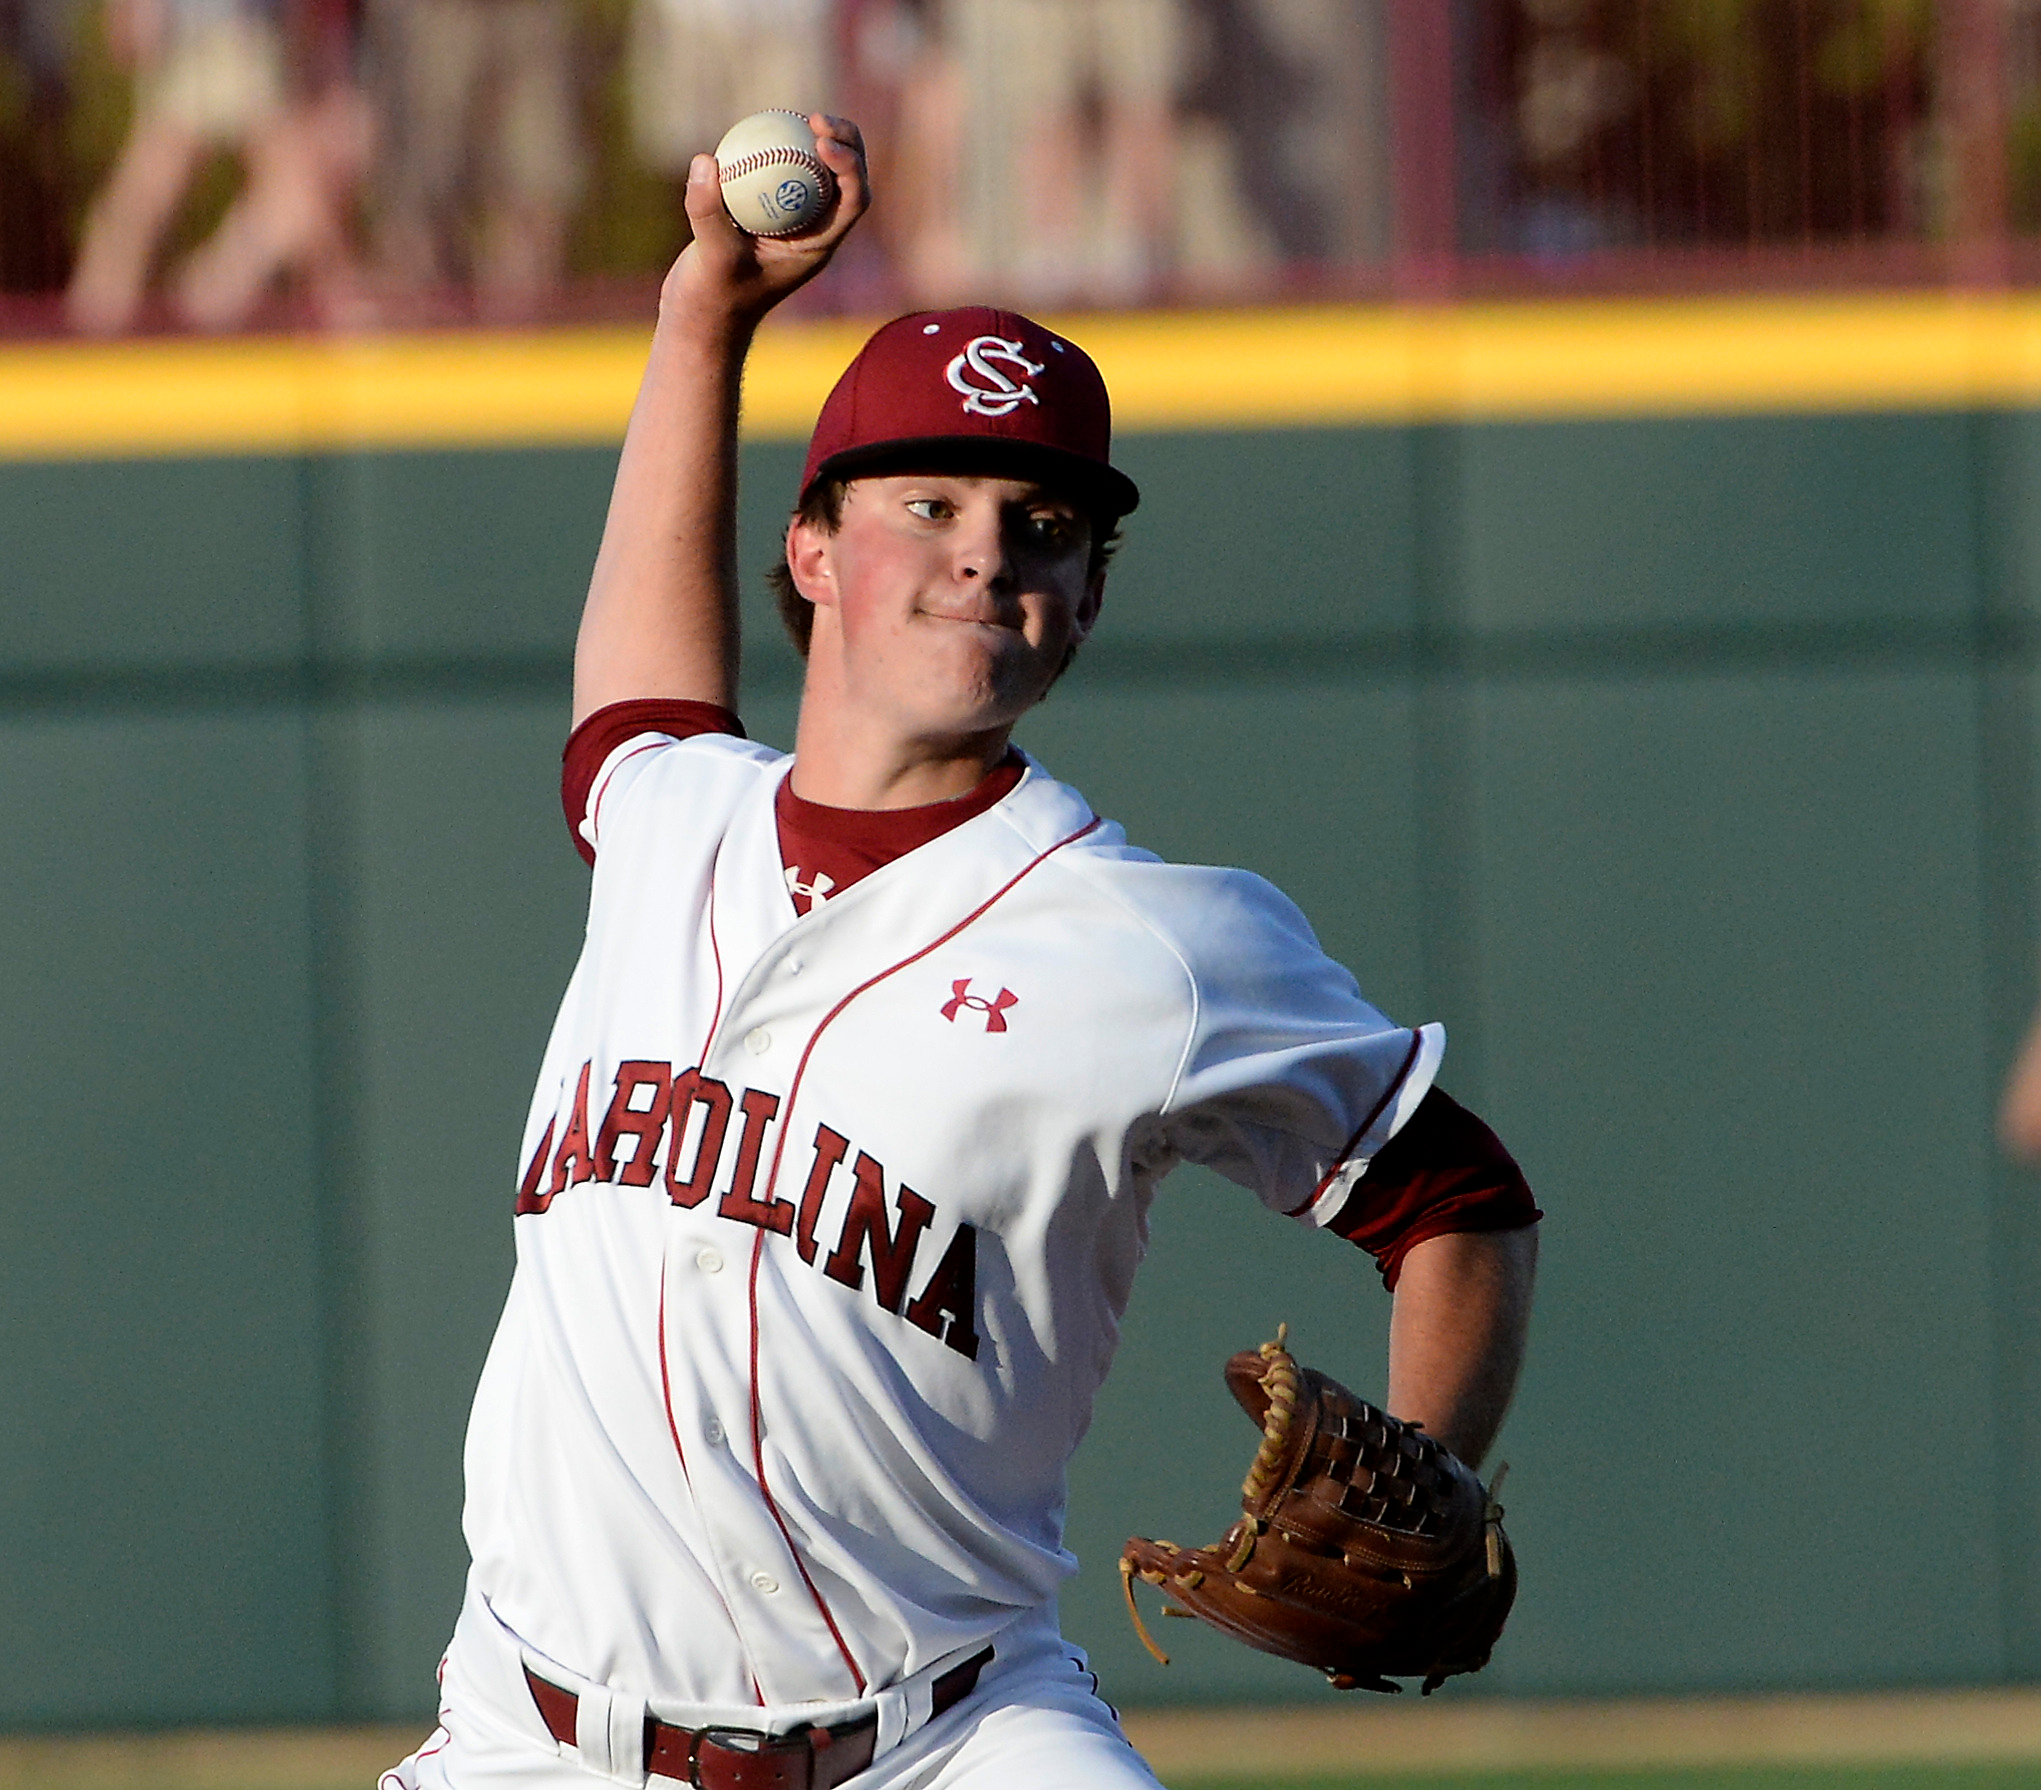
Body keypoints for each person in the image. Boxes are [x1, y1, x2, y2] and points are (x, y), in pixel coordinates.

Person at [381, 115, 1540, 1790]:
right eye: (927, 501)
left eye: (1044, 522)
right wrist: (704, 320)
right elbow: (637, 688)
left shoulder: (1157, 941)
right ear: (811, 551)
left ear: (1083, 595)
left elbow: (1460, 1202)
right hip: (531, 1741)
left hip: (952, 1740)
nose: (987, 548)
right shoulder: (670, 821)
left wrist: (1429, 1461)